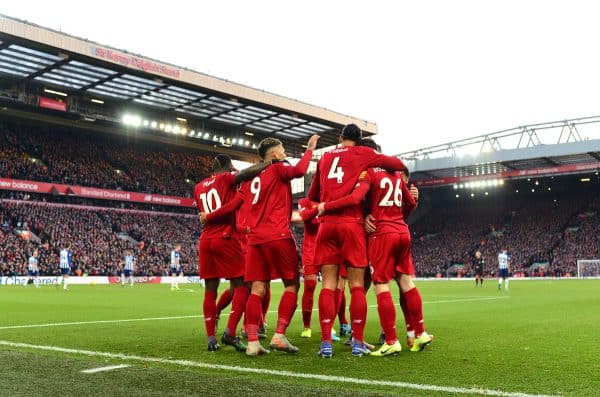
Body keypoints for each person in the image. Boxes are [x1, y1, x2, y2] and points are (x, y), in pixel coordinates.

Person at [309, 124, 407, 358]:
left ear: (340, 138)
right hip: (352, 225)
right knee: (356, 286)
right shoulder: (364, 153)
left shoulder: (324, 158)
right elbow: (398, 165)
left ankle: (325, 343)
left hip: (326, 226)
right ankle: (358, 342)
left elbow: (312, 196)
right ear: (360, 140)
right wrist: (376, 160)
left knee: (329, 285)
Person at [240, 134, 319, 355]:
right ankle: (279, 335)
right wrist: (310, 149)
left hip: (255, 239)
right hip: (277, 234)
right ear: (274, 155)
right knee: (292, 284)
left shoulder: (251, 178)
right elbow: (299, 171)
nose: (285, 154)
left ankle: (253, 342)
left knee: (257, 288)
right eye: (283, 150)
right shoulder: (277, 167)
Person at [194, 154, 271, 352]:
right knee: (242, 285)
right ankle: (230, 332)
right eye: (230, 167)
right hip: (225, 238)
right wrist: (268, 163)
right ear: (224, 166)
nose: (232, 170)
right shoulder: (226, 178)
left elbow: (205, 214)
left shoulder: (199, 186)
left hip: (206, 241)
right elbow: (245, 174)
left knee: (210, 289)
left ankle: (211, 338)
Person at [297, 198, 320, 338]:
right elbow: (305, 216)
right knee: (310, 285)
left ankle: (339, 324)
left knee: (335, 286)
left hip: (328, 245)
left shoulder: (331, 197)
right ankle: (307, 327)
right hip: (311, 249)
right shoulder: (304, 201)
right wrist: (321, 207)